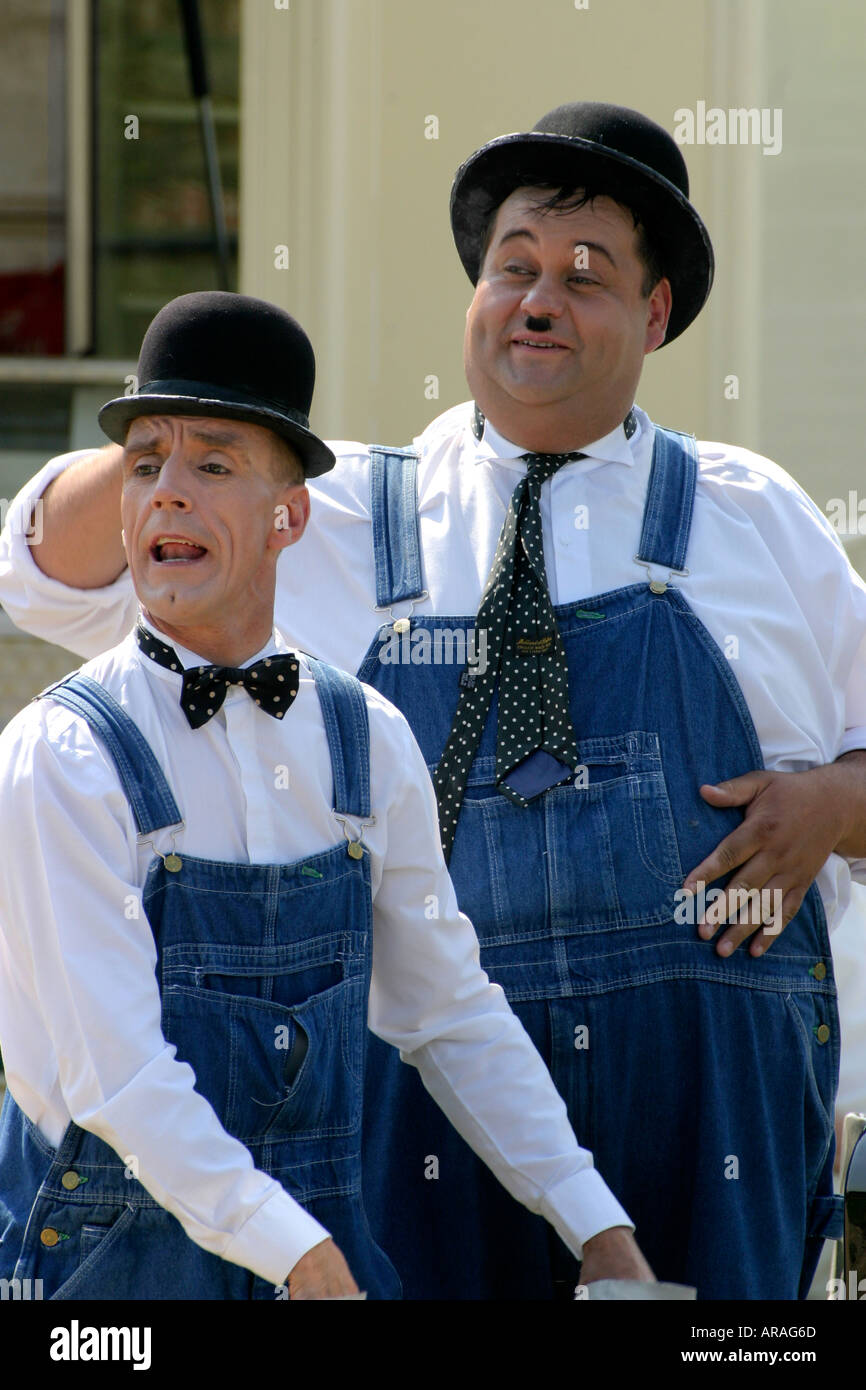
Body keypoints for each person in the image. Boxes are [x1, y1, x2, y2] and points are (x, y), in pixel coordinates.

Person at [2, 103, 866, 1299]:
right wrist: (193, 411)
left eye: (584, 274)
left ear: (657, 313)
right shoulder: (329, 502)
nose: (537, 299)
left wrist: (832, 801)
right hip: (415, 1114)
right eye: (510, 267)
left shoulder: (757, 515)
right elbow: (42, 570)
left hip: (711, 1118)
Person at [0, 291, 650, 1301]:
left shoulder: (367, 738)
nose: (166, 493)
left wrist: (594, 1223)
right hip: (110, 1283)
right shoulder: (62, 756)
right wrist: (299, 1258)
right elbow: (116, 1077)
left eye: (212, 463)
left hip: (323, 1264)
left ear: (288, 514)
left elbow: (447, 1010)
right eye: (144, 464)